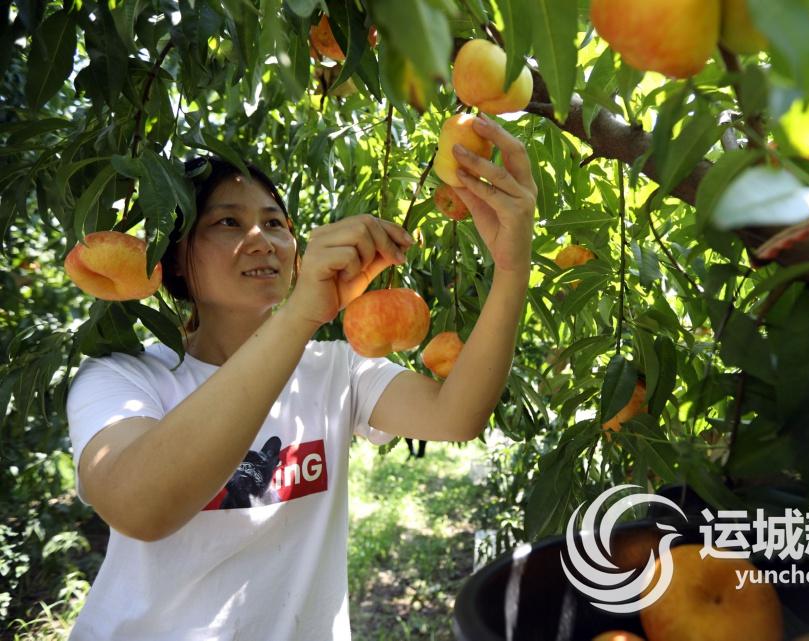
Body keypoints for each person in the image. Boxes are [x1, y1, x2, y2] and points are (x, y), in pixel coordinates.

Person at [65, 113, 537, 640]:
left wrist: (511, 269)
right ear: (175, 257)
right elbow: (141, 506)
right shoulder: (124, 379)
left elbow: (457, 414)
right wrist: (299, 317)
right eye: (227, 222)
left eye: (274, 223)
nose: (261, 239)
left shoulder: (336, 368)